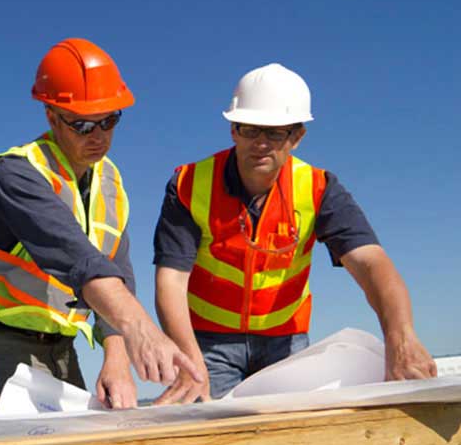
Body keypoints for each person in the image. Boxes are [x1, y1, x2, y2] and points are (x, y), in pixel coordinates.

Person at [152, 63, 438, 403]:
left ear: (296, 137)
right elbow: (171, 280)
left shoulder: (319, 188)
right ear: (233, 130)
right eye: (250, 129)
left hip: (285, 341)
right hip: (207, 343)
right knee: (208, 434)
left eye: (274, 133)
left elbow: (371, 263)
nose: (260, 143)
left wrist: (401, 337)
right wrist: (188, 359)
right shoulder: (188, 184)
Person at [0, 38, 202, 422]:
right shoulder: (17, 174)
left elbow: (116, 270)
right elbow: (79, 260)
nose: (98, 135)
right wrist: (140, 328)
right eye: (83, 124)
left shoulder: (109, 182)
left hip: (60, 346)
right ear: (52, 116)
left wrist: (116, 357)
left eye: (109, 120)